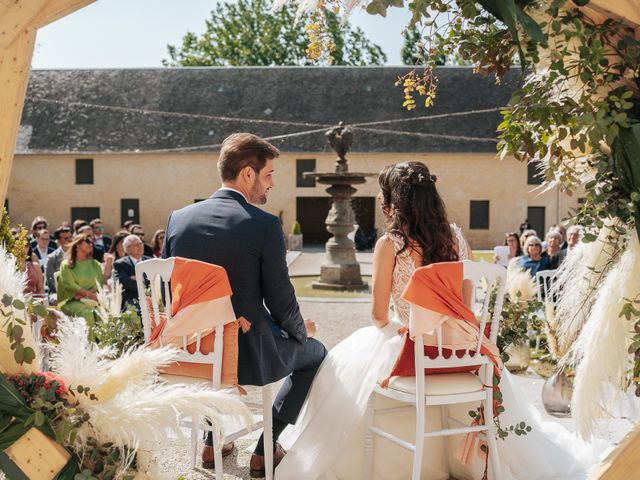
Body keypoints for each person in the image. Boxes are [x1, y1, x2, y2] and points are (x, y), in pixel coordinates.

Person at [275, 161, 599, 480]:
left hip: (414, 350)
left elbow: (377, 316)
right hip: (461, 352)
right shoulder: (457, 237)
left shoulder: (390, 245)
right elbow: (467, 301)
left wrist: (410, 327)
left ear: (393, 203)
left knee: (336, 370)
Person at [163, 133, 326, 475]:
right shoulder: (263, 225)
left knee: (216, 350)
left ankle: (213, 442)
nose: (272, 184)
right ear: (247, 174)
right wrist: (299, 332)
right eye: (268, 175)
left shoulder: (178, 219)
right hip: (249, 356)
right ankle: (266, 447)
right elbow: (281, 299)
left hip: (191, 353)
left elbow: (173, 293)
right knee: (317, 353)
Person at [56, 235, 112, 340]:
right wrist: (89, 294)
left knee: (103, 311)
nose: (90, 243)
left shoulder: (94, 264)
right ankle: (89, 348)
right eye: (87, 241)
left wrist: (87, 294)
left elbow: (100, 282)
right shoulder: (66, 265)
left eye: (91, 241)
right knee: (87, 313)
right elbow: (70, 285)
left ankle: (104, 346)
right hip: (71, 301)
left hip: (91, 298)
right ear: (77, 245)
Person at [113, 234, 150, 311]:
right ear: (127, 248)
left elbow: (157, 279)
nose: (140, 246)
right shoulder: (120, 264)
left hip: (152, 297)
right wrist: (145, 281)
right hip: (132, 299)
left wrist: (138, 279)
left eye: (140, 243)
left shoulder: (150, 261)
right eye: (136, 245)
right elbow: (127, 284)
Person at [45, 226, 73, 295]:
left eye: (70, 237)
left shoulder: (80, 254)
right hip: (59, 294)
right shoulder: (51, 258)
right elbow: (52, 283)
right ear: (59, 241)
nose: (70, 240)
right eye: (66, 238)